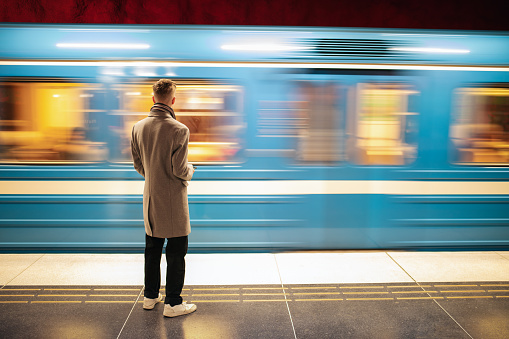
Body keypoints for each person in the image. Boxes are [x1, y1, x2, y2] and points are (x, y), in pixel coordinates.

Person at [131, 79, 196, 318]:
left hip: (150, 200)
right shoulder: (179, 129)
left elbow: (139, 166)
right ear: (173, 100)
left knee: (152, 248)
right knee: (177, 251)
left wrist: (155, 176)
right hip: (173, 201)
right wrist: (192, 170)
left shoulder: (137, 127)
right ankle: (173, 303)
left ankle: (150, 296)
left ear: (153, 98)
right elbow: (180, 170)